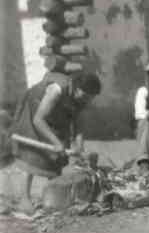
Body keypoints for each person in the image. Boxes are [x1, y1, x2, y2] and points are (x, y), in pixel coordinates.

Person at [10, 70, 101, 210]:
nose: (87, 101)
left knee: (58, 156)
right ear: (77, 88)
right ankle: (25, 198)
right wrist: (56, 143)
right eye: (85, 96)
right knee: (33, 154)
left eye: (90, 98)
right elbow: (38, 120)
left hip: (57, 114)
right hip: (35, 108)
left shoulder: (82, 98)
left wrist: (79, 147)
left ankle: (53, 194)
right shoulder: (56, 90)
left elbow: (79, 125)